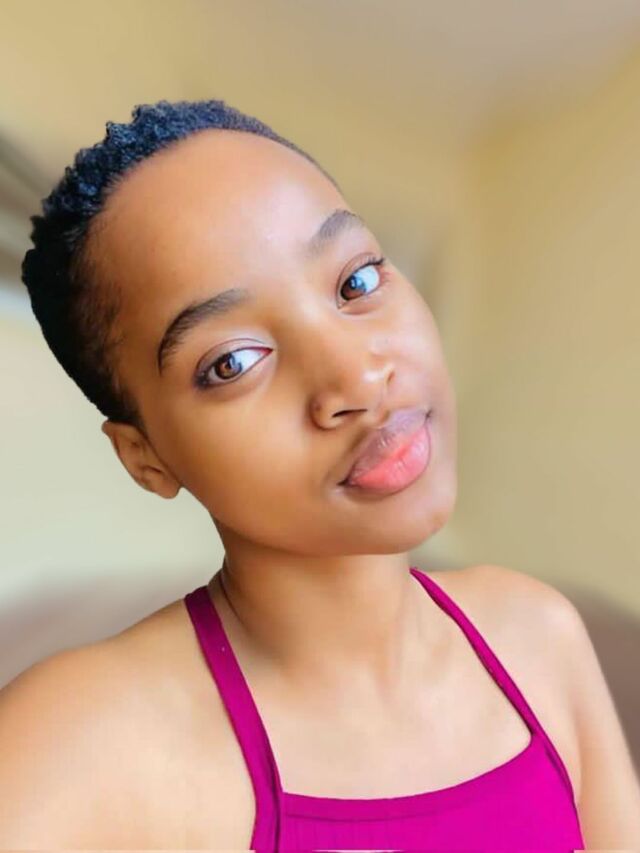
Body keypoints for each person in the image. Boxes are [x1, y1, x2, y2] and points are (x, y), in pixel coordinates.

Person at [1, 98, 639, 850]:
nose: (358, 379)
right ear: (147, 457)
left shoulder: (540, 636)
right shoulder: (75, 747)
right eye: (233, 362)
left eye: (357, 282)